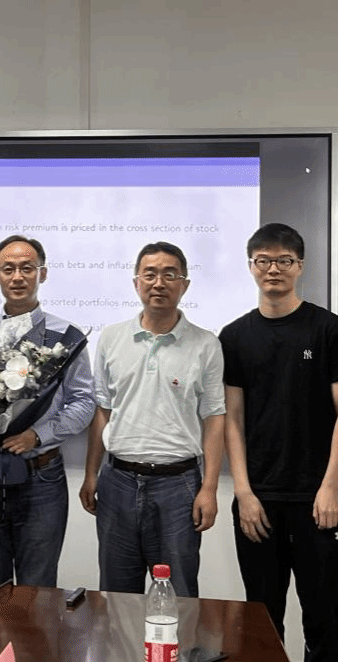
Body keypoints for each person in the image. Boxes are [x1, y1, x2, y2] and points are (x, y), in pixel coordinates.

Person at [220, 223, 338, 662]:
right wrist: (243, 492)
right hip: (259, 501)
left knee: (322, 619)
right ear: (251, 266)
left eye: (284, 260)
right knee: (263, 620)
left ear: (300, 266)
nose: (273, 269)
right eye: (263, 260)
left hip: (320, 500)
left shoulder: (329, 329)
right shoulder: (234, 336)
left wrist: (330, 485)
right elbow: (232, 419)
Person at [79, 241, 225, 597]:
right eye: (150, 274)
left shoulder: (206, 344)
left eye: (169, 275)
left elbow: (214, 417)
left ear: (184, 284)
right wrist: (90, 474)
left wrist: (209, 488)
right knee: (116, 596)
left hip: (178, 486)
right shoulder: (112, 337)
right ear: (136, 283)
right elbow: (102, 410)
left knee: (179, 596)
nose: (159, 283)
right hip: (118, 482)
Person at [0, 235, 95, 587]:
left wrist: (38, 435)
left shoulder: (66, 336)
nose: (17, 276)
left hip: (41, 476)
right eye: (8, 269)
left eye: (27, 268)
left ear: (42, 274)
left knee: (38, 586)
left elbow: (84, 401)